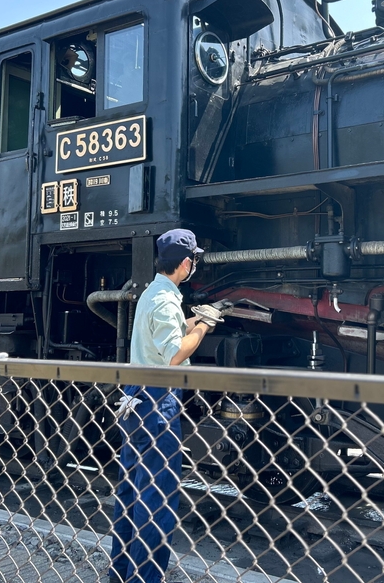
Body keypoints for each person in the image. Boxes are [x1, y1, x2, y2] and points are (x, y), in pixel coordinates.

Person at [108, 229, 217, 583]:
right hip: (158, 402)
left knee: (130, 492)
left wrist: (197, 319)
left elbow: (166, 331)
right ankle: (144, 578)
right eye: (194, 259)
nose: (194, 264)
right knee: (157, 498)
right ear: (185, 263)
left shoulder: (152, 293)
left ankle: (120, 573)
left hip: (135, 397)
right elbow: (174, 353)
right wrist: (203, 328)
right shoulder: (167, 300)